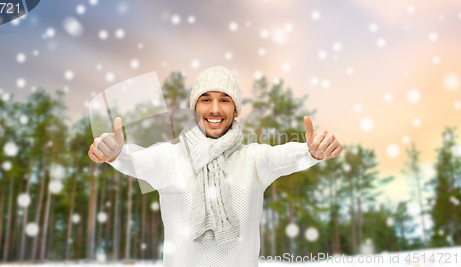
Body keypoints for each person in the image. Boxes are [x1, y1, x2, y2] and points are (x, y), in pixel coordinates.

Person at [88, 66, 342, 266]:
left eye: (225, 100)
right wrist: (115, 153)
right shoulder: (170, 157)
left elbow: (283, 155)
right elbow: (136, 159)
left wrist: (312, 151)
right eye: (206, 99)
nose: (215, 109)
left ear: (235, 109)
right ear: (195, 106)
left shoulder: (253, 159)